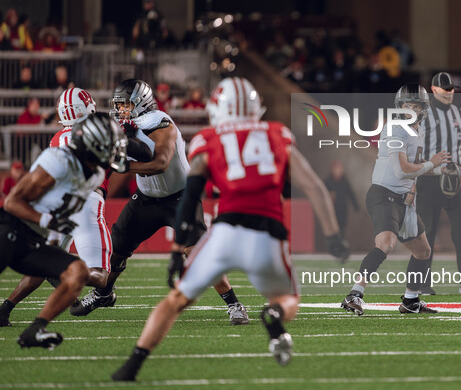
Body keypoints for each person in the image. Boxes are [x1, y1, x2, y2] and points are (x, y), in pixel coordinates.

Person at [111, 77, 348, 381]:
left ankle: (133, 365)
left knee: (175, 301)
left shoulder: (208, 139)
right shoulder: (278, 134)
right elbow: (313, 186)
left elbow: (191, 194)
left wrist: (176, 249)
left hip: (226, 232)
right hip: (268, 233)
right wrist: (332, 235)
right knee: (286, 299)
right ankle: (273, 317)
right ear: (256, 108)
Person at [74, 79, 250, 326]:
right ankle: (104, 294)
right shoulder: (127, 126)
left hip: (179, 198)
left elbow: (161, 163)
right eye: (118, 105)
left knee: (198, 254)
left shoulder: (160, 122)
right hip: (146, 199)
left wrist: (125, 165)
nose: (121, 110)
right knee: (116, 248)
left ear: (140, 102)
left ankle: (234, 304)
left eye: (124, 104)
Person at [0, 88, 150, 325]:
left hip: (56, 205)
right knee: (101, 278)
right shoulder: (102, 131)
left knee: (41, 261)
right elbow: (144, 153)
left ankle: (6, 308)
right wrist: (127, 135)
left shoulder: (57, 137)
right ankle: (66, 270)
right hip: (86, 202)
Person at [0, 113, 124, 349]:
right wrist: (48, 221)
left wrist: (54, 241)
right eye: (109, 146)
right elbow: (12, 203)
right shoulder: (59, 160)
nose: (113, 153)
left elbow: (63, 209)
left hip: (34, 241)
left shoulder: (96, 174)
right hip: (10, 230)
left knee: (78, 272)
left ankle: (34, 331)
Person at [341, 84, 449, 316]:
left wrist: (440, 171)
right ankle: (354, 294)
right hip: (384, 194)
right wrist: (432, 164)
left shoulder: (417, 130)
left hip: (403, 198)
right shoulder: (395, 128)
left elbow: (414, 169)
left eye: (416, 105)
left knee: (422, 251)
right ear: (399, 107)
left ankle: (410, 301)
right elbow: (401, 171)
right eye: (407, 105)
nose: (410, 109)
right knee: (386, 244)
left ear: (423, 109)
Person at [415, 72, 461, 295]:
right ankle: (421, 283)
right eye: (444, 89)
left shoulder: (460, 114)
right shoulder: (422, 113)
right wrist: (414, 178)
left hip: (456, 181)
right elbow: (414, 149)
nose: (449, 93)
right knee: (425, 232)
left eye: (451, 89)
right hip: (429, 180)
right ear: (433, 90)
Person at [324, 160, 359, 236]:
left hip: (342, 209)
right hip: (332, 209)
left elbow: (350, 194)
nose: (338, 171)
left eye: (339, 169)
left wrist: (356, 206)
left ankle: (341, 243)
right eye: (336, 169)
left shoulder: (345, 181)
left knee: (342, 228)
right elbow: (323, 194)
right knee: (333, 228)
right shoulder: (328, 182)